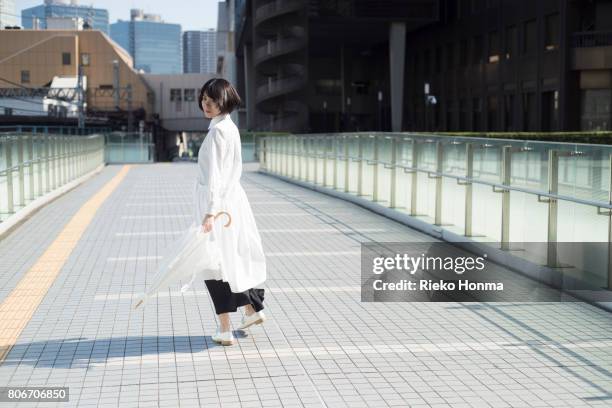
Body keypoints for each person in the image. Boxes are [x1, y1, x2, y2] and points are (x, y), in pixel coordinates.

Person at [196, 78, 267, 346]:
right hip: (233, 201)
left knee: (214, 265)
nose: (207, 105)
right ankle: (251, 309)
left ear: (224, 101)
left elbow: (214, 177)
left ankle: (225, 328)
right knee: (233, 258)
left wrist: (209, 212)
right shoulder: (230, 127)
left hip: (218, 205)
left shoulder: (216, 133)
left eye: (212, 101)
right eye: (204, 99)